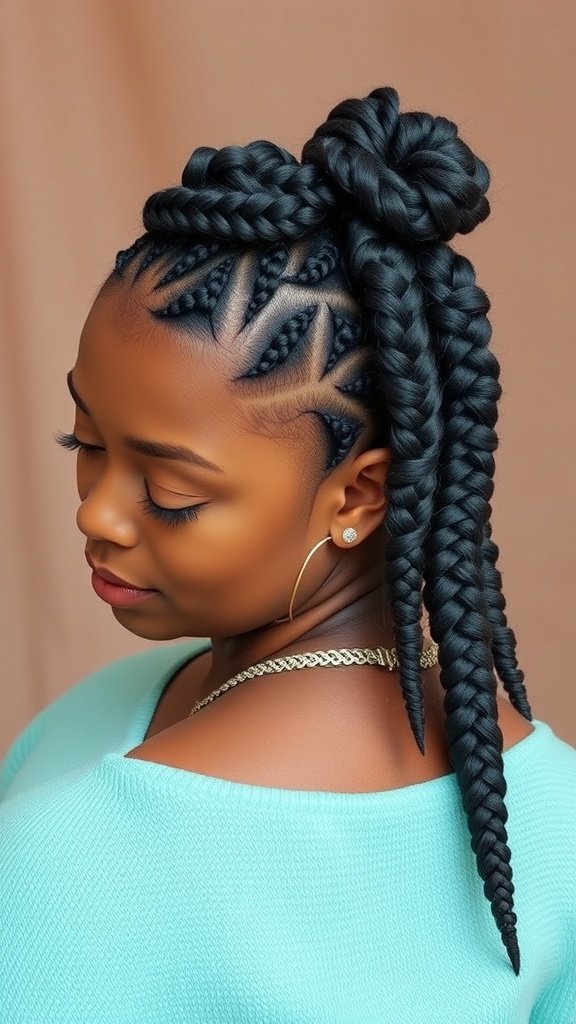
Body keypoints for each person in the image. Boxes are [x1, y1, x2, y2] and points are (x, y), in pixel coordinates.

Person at [1, 85, 574, 1023]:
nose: (97, 515)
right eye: (85, 445)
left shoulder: (57, 861)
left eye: (171, 492)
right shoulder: (560, 817)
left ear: (357, 497)